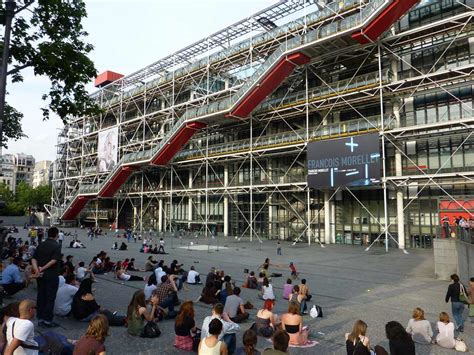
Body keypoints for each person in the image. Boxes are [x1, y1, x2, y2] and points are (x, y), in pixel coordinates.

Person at [31, 226, 61, 328]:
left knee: (41, 296)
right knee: (50, 298)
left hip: (40, 276)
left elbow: (34, 259)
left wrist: (37, 270)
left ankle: (40, 319)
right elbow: (54, 261)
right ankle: (47, 320)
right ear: (56, 235)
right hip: (51, 275)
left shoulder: (41, 244)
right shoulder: (56, 246)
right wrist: (43, 268)